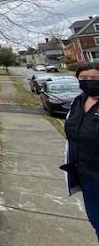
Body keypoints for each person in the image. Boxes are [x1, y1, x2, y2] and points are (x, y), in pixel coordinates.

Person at [62, 61, 99, 240]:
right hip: (85, 174)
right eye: (83, 78)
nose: (88, 81)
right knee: (96, 220)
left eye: (94, 78)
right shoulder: (78, 101)